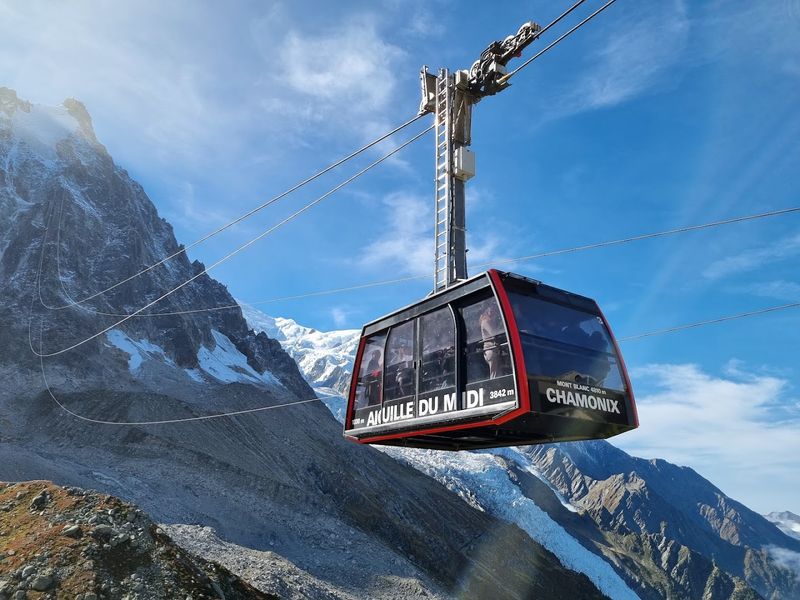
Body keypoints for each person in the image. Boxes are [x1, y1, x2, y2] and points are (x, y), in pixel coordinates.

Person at [479, 304, 504, 378]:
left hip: (493, 349)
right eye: (490, 310)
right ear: (486, 311)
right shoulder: (485, 321)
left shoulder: (490, 321)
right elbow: (493, 333)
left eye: (494, 310)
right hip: (490, 350)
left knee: (498, 373)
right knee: (494, 374)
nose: (492, 312)